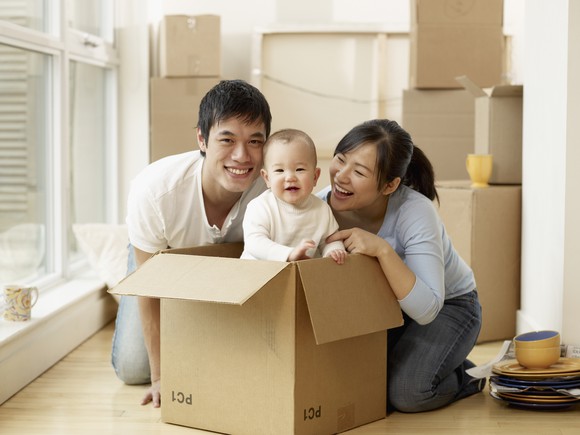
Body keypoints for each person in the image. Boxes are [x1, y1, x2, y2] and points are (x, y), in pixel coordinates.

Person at [110, 79, 272, 408]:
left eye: (255, 141)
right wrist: (160, 377)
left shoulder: (273, 187)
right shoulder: (155, 190)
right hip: (163, 264)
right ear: (202, 138)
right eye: (227, 139)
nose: (242, 156)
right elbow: (150, 286)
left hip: (236, 274)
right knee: (133, 368)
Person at [322, 119, 483, 413]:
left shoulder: (415, 211)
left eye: (358, 171)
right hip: (387, 309)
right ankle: (432, 360)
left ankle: (466, 375)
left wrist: (382, 249)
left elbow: (427, 310)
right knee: (354, 384)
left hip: (448, 306)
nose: (341, 176)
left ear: (390, 184)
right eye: (340, 159)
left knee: (407, 393)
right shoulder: (319, 207)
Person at [241, 129, 346, 263]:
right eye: (279, 170)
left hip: (298, 276)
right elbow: (255, 243)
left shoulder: (322, 209)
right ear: (267, 178)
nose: (290, 177)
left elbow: (331, 240)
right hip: (258, 275)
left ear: (315, 176)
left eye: (299, 169)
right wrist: (289, 254)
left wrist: (333, 251)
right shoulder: (260, 207)